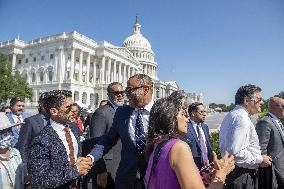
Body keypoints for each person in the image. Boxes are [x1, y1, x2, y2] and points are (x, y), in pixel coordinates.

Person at [145, 91, 235, 189]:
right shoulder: (178, 147)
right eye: (183, 114)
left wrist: (199, 177)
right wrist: (221, 174)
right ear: (169, 117)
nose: (187, 119)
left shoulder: (157, 144)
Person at [88, 74, 154, 189]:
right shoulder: (122, 112)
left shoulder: (161, 112)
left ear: (146, 89)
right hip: (126, 179)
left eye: (129, 90)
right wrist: (92, 157)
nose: (125, 94)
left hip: (154, 178)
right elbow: (108, 139)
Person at [27, 90, 92, 188]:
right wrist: (75, 170)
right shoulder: (42, 140)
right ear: (54, 111)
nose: (73, 110)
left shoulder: (73, 128)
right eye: (68, 107)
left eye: (73, 105)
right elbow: (39, 180)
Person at [219, 84, 272, 189]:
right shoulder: (242, 118)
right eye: (259, 99)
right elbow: (236, 154)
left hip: (234, 174)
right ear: (247, 100)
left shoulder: (232, 114)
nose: (262, 102)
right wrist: (260, 159)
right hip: (241, 177)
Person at [85, 82, 124, 189]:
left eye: (122, 92)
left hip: (122, 165)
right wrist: (100, 170)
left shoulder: (125, 111)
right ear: (108, 95)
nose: (120, 95)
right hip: (107, 166)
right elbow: (95, 142)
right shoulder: (101, 113)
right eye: (116, 93)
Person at [256, 96, 284, 188]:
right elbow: (261, 149)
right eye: (283, 106)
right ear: (272, 107)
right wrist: (268, 172)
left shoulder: (277, 121)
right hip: (274, 172)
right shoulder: (265, 122)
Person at [184, 102, 213, 169]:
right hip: (193, 167)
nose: (204, 114)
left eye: (205, 112)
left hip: (207, 165)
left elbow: (208, 145)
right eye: (201, 112)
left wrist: (213, 156)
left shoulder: (205, 127)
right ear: (193, 113)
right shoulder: (185, 127)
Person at [0, 112, 24, 189]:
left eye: (8, 130)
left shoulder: (16, 153)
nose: (6, 135)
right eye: (1, 132)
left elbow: (24, 178)